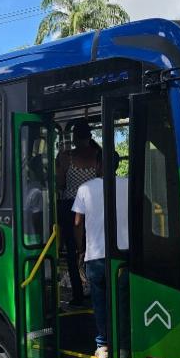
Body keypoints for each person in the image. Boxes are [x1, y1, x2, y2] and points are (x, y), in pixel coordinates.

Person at [71, 157, 129, 358]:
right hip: (123, 255)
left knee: (100, 302)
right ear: (117, 165)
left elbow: (78, 222)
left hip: (95, 255)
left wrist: (80, 248)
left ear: (97, 165)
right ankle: (123, 348)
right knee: (122, 302)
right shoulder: (128, 184)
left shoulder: (85, 189)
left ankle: (103, 346)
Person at [56, 118, 100, 306]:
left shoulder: (66, 157)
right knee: (93, 248)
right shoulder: (99, 155)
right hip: (93, 206)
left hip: (70, 207)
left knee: (73, 252)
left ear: (74, 137)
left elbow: (60, 183)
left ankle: (77, 292)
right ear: (89, 136)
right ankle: (95, 287)